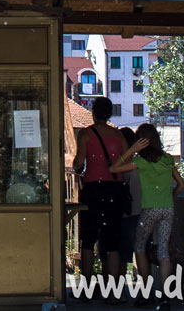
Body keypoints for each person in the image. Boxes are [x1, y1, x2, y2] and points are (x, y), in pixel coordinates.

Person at [111, 123, 184, 308]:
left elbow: (114, 169)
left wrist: (131, 151)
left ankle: (146, 292)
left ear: (140, 142)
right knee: (163, 251)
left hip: (148, 209)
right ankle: (167, 296)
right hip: (167, 208)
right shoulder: (167, 159)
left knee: (139, 246)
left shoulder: (140, 162)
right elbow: (181, 184)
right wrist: (171, 197)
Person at [72, 96, 128, 281]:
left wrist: (78, 166)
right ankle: (112, 291)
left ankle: (87, 287)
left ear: (94, 113)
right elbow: (127, 160)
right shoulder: (118, 135)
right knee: (112, 240)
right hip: (115, 188)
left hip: (93, 188)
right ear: (110, 113)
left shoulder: (86, 134)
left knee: (88, 239)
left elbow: (79, 162)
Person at [118, 127, 143, 271]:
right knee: (141, 251)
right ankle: (146, 288)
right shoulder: (142, 162)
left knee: (122, 253)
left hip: (127, 212)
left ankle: (117, 288)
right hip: (142, 209)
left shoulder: (124, 164)